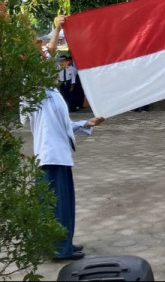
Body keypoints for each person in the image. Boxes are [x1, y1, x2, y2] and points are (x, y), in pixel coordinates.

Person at [22, 16, 105, 260]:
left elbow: (62, 124)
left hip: (60, 155)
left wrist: (85, 123)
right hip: (50, 157)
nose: (56, 67)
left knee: (65, 205)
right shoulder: (33, 92)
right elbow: (45, 54)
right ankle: (58, 249)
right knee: (56, 206)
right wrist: (55, 30)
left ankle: (64, 242)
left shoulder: (51, 93)